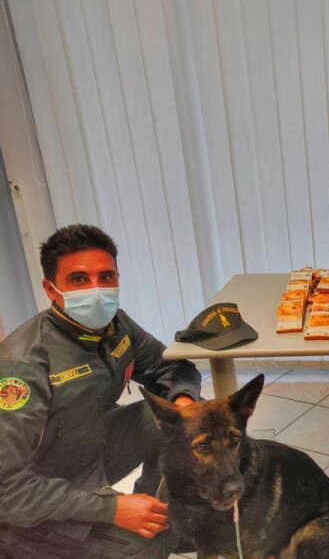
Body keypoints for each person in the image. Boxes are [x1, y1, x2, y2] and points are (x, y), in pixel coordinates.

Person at [0, 224, 203, 558]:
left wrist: (182, 402)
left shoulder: (115, 325)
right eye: (79, 279)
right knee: (144, 547)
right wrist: (111, 509)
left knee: (190, 418)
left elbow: (172, 368)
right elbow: (6, 490)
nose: (96, 290)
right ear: (50, 289)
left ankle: (159, 515)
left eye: (106, 277)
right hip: (32, 500)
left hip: (88, 452)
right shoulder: (22, 368)